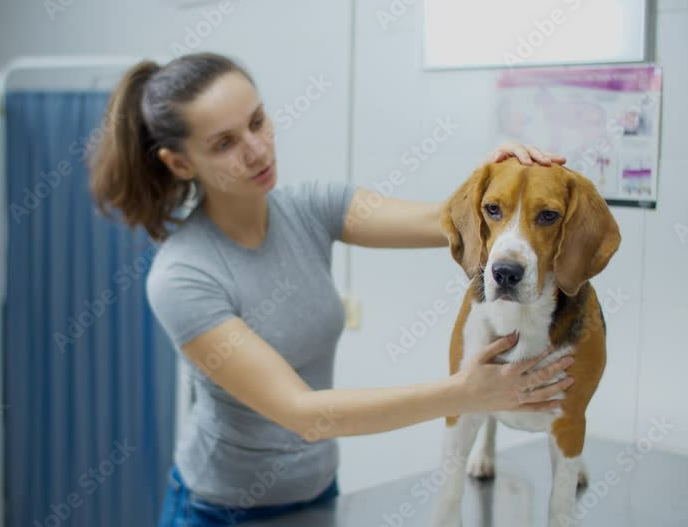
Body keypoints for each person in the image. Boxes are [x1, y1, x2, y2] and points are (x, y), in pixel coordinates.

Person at [89, 52, 575, 527]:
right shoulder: (182, 275)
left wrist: (495, 179)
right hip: (219, 512)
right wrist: (465, 393)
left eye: (258, 122)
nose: (256, 149)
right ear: (179, 163)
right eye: (224, 144)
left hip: (319, 495)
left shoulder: (312, 207)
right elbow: (302, 414)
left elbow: (446, 221)